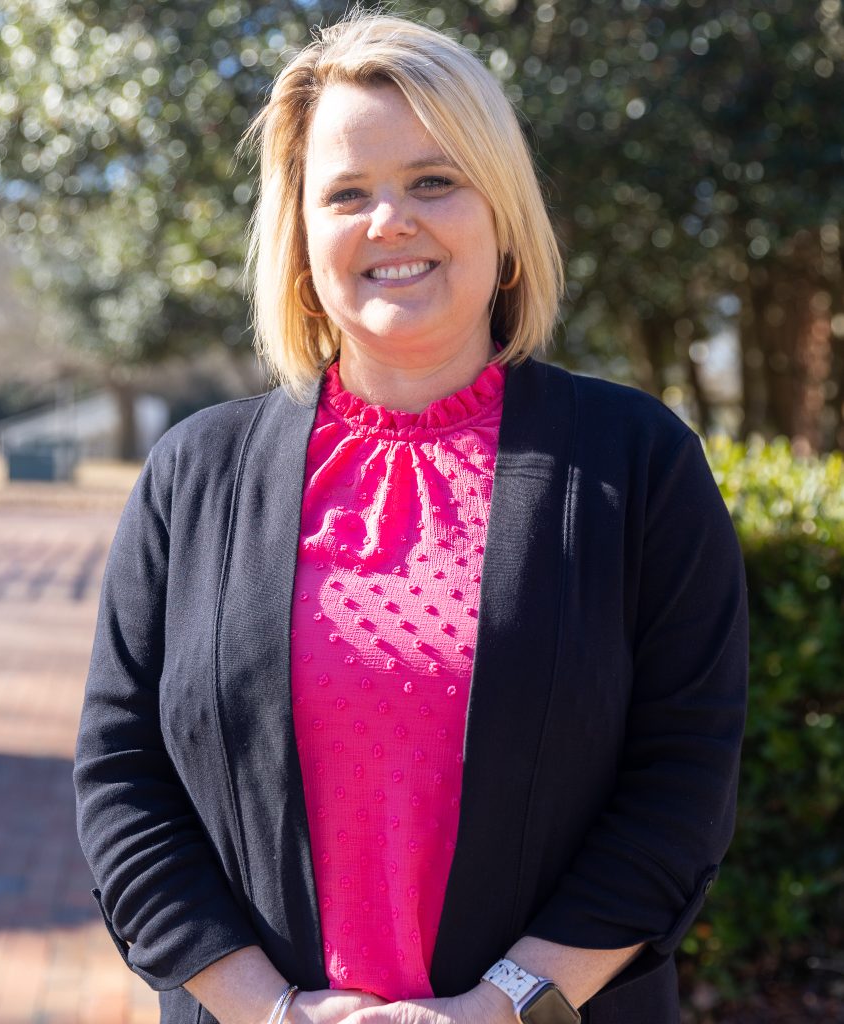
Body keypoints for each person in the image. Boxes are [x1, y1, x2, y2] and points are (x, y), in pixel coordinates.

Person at [74, 13, 748, 1024]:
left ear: (502, 212)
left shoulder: (636, 463)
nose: (390, 220)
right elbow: (123, 779)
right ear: (301, 241)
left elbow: (681, 782)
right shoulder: (190, 476)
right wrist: (270, 1010)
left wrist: (504, 1003)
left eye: (433, 180)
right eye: (346, 193)